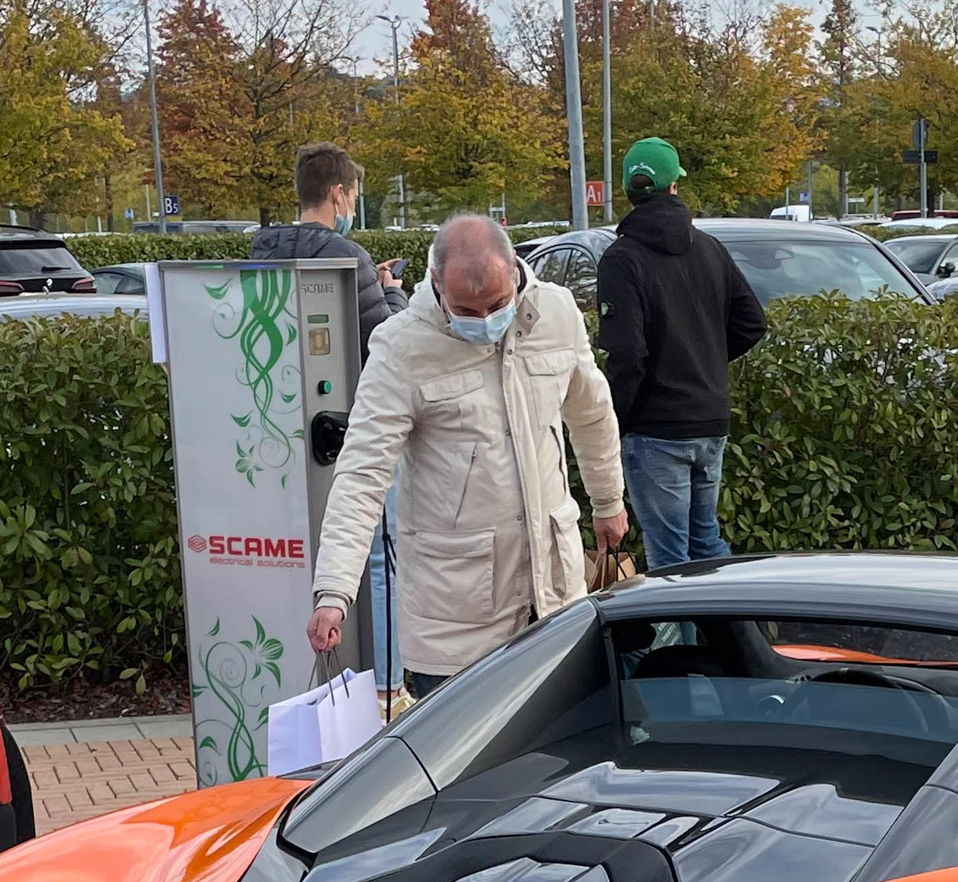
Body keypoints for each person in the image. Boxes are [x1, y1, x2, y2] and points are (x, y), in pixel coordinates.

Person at [307, 214, 626, 695]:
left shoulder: (556, 313)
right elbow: (362, 473)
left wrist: (609, 501)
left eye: (497, 305)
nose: (484, 321)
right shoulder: (400, 347)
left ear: (516, 272)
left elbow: (592, 413)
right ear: (435, 283)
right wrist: (334, 590)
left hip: (554, 598)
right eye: (466, 310)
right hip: (453, 617)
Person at [594, 133, 768, 570]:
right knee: (705, 544)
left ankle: (688, 642)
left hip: (655, 430)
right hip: (710, 419)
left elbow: (627, 355)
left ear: (628, 190)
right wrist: (701, 361)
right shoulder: (709, 248)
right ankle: (740, 637)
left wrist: (616, 420)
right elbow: (752, 323)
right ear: (675, 186)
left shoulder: (621, 259)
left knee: (670, 563)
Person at [246, 143, 406, 346]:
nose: (354, 212)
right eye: (354, 199)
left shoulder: (265, 248)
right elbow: (386, 340)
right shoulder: (350, 256)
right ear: (338, 194)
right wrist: (392, 291)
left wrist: (370, 279)